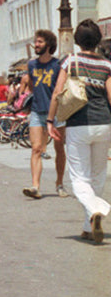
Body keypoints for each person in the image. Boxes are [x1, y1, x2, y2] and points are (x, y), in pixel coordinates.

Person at [48, 20, 111, 243]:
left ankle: (96, 208)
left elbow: (58, 90)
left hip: (78, 124)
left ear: (77, 40)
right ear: (97, 41)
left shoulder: (70, 61)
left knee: (79, 178)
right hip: (103, 123)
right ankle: (88, 225)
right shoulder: (106, 65)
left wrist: (50, 120)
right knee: (97, 175)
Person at [23, 29, 67, 200]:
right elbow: (33, 87)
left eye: (40, 42)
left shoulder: (58, 66)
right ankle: (35, 186)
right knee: (36, 149)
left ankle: (59, 183)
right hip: (37, 111)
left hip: (56, 113)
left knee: (59, 149)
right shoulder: (32, 65)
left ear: (48, 44)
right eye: (36, 41)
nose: (36, 44)